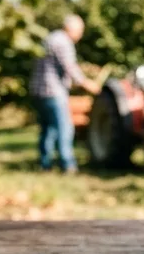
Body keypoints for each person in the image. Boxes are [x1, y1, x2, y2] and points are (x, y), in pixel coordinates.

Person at [28, 14, 99, 173]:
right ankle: (68, 165)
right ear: (72, 29)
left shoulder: (50, 38)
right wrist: (88, 84)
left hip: (38, 91)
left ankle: (44, 164)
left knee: (48, 129)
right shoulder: (63, 42)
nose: (80, 35)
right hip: (53, 91)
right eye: (80, 31)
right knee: (65, 128)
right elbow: (70, 68)